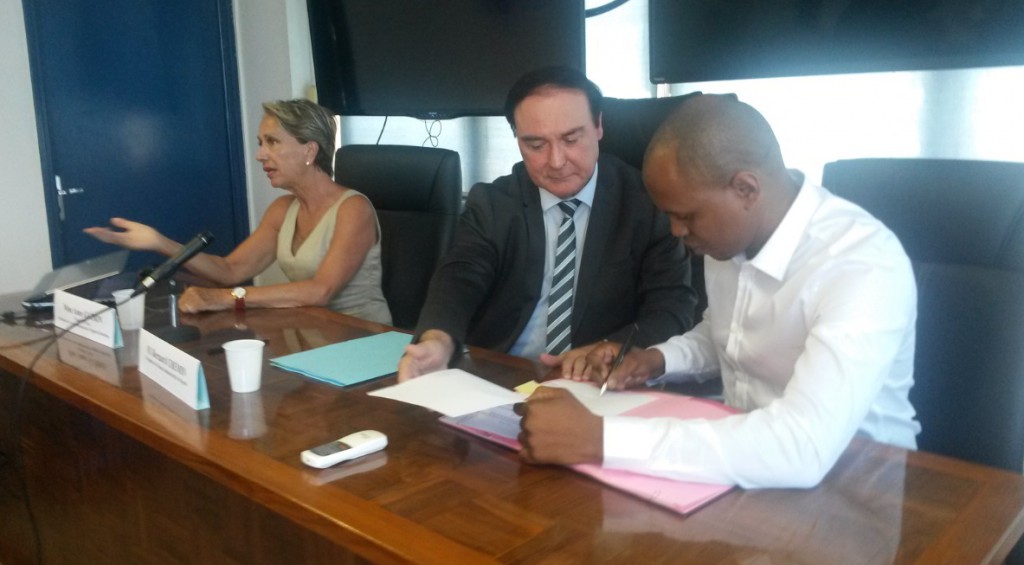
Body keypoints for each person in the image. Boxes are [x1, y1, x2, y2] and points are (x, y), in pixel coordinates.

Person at [517, 95, 920, 489]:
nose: (677, 231)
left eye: (686, 216)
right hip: (737, 462)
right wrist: (653, 360)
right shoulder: (729, 237)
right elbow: (726, 333)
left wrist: (600, 439)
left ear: (745, 189)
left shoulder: (861, 265)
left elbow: (803, 446)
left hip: (856, 483)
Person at [397, 66, 697, 381]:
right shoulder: (493, 202)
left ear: (598, 126)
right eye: (536, 145)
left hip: (597, 381)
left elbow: (672, 308)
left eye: (571, 139)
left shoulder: (647, 204)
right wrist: (439, 339)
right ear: (517, 138)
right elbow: (460, 277)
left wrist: (611, 350)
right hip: (503, 374)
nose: (556, 161)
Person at [85, 99, 392, 325]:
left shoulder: (353, 209)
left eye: (272, 142)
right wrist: (158, 241)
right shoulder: (283, 210)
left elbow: (319, 291)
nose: (260, 155)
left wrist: (225, 298)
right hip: (313, 332)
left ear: (309, 150)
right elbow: (230, 270)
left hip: (362, 337)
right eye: (261, 143)